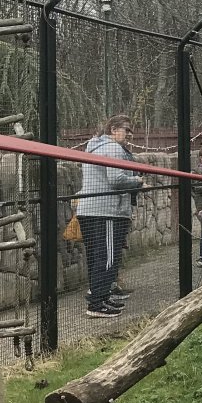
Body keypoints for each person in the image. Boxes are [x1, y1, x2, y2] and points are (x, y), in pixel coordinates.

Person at [78, 114, 143, 318]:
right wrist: (138, 180)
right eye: (126, 130)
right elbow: (116, 179)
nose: (129, 135)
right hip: (106, 211)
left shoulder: (93, 147)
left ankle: (101, 296)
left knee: (96, 257)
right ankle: (97, 304)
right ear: (114, 129)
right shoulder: (113, 148)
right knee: (107, 258)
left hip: (88, 210)